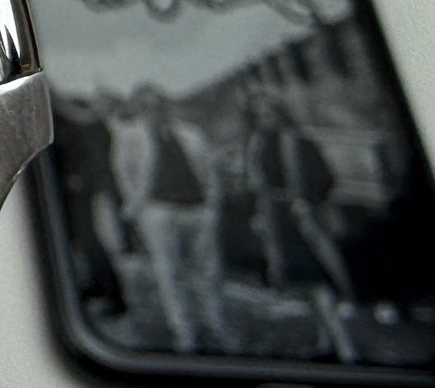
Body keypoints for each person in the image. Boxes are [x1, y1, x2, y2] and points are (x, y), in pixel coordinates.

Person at [244, 90, 358, 362]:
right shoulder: (257, 145)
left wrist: (307, 201)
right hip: (278, 219)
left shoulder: (299, 141)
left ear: (281, 113)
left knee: (318, 281)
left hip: (303, 216)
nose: (265, 118)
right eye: (260, 114)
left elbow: (327, 179)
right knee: (304, 283)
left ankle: (345, 346)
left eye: (270, 112)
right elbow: (257, 185)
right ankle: (326, 339)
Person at [110, 86, 218, 353]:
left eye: (158, 105)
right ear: (139, 109)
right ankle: (184, 332)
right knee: (170, 272)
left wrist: (211, 205)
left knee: (207, 272)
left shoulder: (190, 134)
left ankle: (214, 326)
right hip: (159, 210)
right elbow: (124, 173)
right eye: (146, 106)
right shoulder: (130, 137)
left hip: (196, 208)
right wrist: (137, 208)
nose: (154, 111)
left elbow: (209, 171)